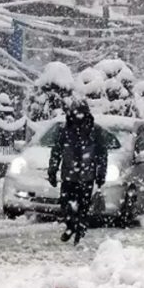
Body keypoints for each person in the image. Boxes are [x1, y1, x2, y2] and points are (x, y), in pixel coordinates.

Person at [48, 100, 108, 244]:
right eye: (76, 113)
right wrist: (52, 170)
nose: (78, 116)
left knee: (83, 205)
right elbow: (56, 151)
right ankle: (71, 226)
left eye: (81, 113)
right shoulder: (65, 131)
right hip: (69, 175)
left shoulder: (94, 131)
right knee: (65, 203)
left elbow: (102, 154)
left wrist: (101, 173)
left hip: (87, 176)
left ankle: (79, 228)